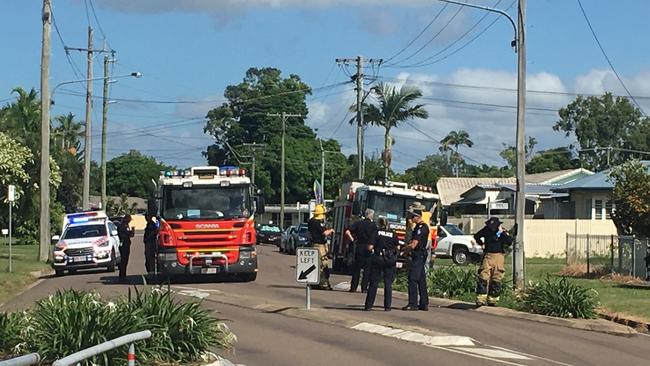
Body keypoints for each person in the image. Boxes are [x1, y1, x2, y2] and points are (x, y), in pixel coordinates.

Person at [474, 217, 513, 306]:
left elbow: (509, 241)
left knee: (497, 277)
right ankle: (481, 299)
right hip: (488, 255)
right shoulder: (486, 230)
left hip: (499, 256)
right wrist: (481, 243)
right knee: (483, 276)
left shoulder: (502, 232)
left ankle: (493, 300)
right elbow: (477, 236)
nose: (492, 227)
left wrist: (501, 233)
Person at [364, 217, 399, 311]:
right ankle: (387, 306)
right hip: (390, 260)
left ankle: (369, 305)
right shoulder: (393, 234)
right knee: (388, 283)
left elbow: (370, 247)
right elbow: (397, 247)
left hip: (378, 259)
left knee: (374, 283)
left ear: (379, 224)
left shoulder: (376, 232)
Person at [402, 203, 429, 311]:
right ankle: (424, 302)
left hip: (417, 255)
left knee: (412, 279)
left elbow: (414, 244)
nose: (410, 218)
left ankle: (413, 303)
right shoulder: (422, 226)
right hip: (421, 255)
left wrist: (404, 249)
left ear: (417, 217)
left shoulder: (420, 228)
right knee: (421, 280)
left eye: (412, 216)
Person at [346, 208, 377, 293]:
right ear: (371, 215)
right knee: (367, 269)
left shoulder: (358, 223)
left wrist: (352, 240)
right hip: (368, 247)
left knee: (356, 268)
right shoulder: (374, 225)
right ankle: (364, 288)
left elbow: (347, 232)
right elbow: (375, 237)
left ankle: (353, 287)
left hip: (359, 246)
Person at [307, 204, 335, 290]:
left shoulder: (311, 222)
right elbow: (324, 233)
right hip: (320, 246)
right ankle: (323, 283)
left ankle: (314, 282)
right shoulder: (317, 223)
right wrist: (331, 230)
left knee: (316, 264)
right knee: (323, 265)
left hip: (315, 245)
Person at [117, 215, 134, 282]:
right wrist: (128, 234)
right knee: (123, 261)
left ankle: (124, 275)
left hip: (127, 245)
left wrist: (132, 231)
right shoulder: (121, 226)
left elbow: (130, 235)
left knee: (125, 261)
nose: (129, 221)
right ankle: (121, 277)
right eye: (129, 220)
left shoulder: (127, 226)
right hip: (123, 245)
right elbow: (122, 235)